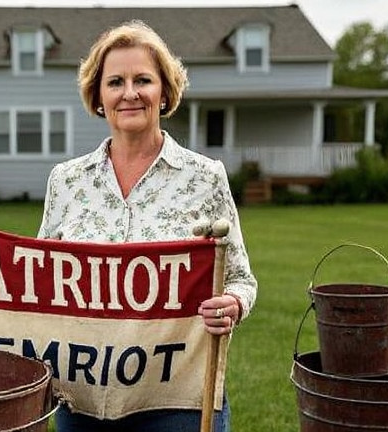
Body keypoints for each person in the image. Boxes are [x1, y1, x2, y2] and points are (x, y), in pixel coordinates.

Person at [37, 19, 257, 432]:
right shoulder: (65, 181)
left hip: (178, 399)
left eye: (143, 80)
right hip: (82, 398)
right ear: (99, 96)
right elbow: (40, 282)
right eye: (115, 82)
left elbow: (241, 279)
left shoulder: (204, 177)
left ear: (164, 91)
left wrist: (233, 305)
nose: (130, 93)